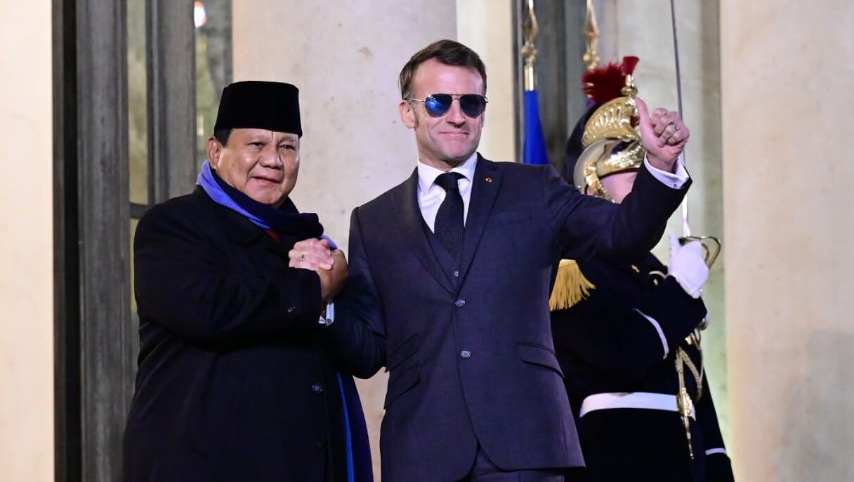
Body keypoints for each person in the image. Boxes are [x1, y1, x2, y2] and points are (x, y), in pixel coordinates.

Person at [342, 39, 694, 482]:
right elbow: (369, 350)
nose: (457, 115)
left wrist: (660, 167)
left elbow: (622, 233)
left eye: (470, 103)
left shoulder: (534, 190)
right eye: (437, 102)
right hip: (421, 453)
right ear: (407, 112)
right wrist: (323, 302)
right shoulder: (373, 222)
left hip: (527, 444)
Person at [123, 81, 377, 482]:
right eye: (256, 145)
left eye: (287, 147)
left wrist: (328, 304)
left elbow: (365, 355)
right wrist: (316, 290)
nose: (273, 160)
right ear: (215, 150)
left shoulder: (311, 245)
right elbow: (212, 312)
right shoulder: (173, 227)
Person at [549, 58, 735, 481]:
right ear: (591, 176)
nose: (643, 178)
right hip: (615, 457)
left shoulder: (656, 273)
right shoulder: (570, 269)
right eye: (631, 165)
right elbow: (621, 356)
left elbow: (697, 397)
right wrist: (680, 295)